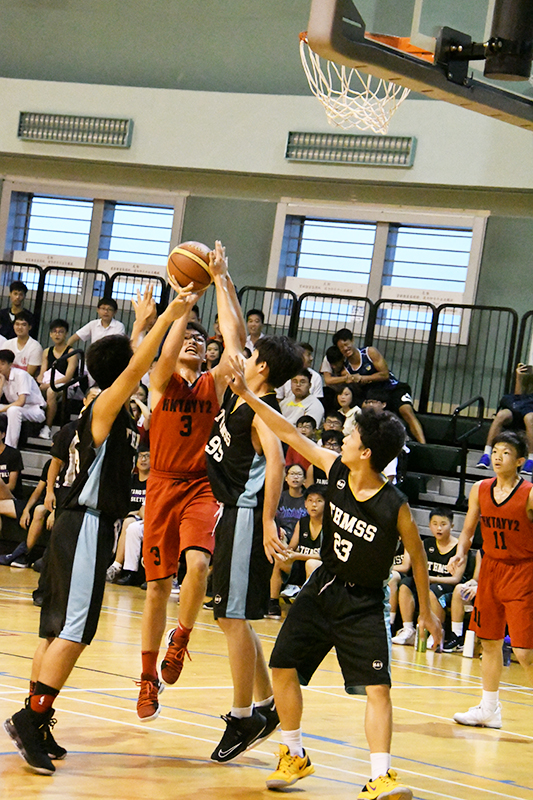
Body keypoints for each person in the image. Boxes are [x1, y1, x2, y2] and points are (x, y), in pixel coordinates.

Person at [2, 283, 200, 776]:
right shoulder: (107, 404)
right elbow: (135, 366)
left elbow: (127, 364)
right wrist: (173, 312)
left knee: (53, 630)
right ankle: (31, 718)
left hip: (76, 526)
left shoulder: (112, 402)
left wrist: (142, 322)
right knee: (74, 632)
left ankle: (36, 719)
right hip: (86, 526)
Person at [223, 361, 441, 797]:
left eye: (352, 436)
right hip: (323, 588)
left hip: (364, 603)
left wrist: (427, 611)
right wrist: (247, 396)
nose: (343, 439)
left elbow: (418, 557)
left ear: (367, 452)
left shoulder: (394, 504)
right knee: (282, 666)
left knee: (378, 689)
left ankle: (381, 775)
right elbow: (291, 434)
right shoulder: (337, 469)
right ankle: (294, 755)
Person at [136, 241, 246, 723]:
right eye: (188, 339)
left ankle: (180, 637)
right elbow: (164, 354)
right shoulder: (161, 383)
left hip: (201, 485)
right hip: (161, 486)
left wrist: (219, 280)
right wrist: (184, 303)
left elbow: (235, 344)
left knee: (198, 564)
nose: (195, 343)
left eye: (202, 341)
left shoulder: (212, 384)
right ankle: (147, 678)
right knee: (156, 589)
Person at [205, 334, 303, 763]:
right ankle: (266, 706)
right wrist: (220, 289)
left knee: (231, 617)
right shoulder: (239, 391)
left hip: (246, 514)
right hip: (231, 512)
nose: (243, 357)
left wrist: (266, 520)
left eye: (252, 355)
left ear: (261, 367)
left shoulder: (263, 411)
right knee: (235, 618)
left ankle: (242, 716)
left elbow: (277, 461)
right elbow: (232, 331)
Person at [450, 430, 533, 729]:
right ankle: (489, 709)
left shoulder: (530, 493)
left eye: (506, 453)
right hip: (491, 569)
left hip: (523, 571)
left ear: (520, 461)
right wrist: (461, 553)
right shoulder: (480, 489)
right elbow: (468, 530)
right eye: (495, 451)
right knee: (489, 642)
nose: (498, 457)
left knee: (524, 652)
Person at [332, 328, 426, 444]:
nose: (345, 349)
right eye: (341, 347)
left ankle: (423, 445)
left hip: (393, 388)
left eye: (346, 344)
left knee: (406, 411)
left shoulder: (369, 353)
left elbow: (385, 374)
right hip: (374, 396)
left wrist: (363, 378)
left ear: (352, 341)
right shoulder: (346, 369)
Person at [392, 507, 464, 647]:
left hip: (447, 587)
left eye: (443, 524)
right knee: (405, 584)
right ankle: (408, 629)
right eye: (435, 524)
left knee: (433, 590)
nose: (439, 528)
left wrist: (430, 579)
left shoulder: (459, 549)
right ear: (429, 525)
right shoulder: (426, 544)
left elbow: (456, 579)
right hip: (429, 582)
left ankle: (435, 632)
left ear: (452, 526)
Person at [267, 483, 325, 619]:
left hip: (321, 569)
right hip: (300, 565)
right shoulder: (303, 522)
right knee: (280, 558)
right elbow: (291, 548)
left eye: (319, 501)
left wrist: (297, 555)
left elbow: (324, 556)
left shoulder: (330, 525)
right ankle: (273, 603)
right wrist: (284, 547)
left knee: (311, 563)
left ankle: (310, 606)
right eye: (310, 500)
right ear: (305, 504)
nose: (314, 505)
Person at [477, 363, 533, 473]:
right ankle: (487, 454)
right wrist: (519, 377)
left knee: (529, 418)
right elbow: (518, 398)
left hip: (530, 412)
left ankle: (531, 459)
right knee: (501, 415)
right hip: (518, 410)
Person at [37, 319, 79, 440]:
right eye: (54, 332)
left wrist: (49, 385)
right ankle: (34, 423)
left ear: (66, 334)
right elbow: (42, 373)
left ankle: (47, 427)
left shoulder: (71, 352)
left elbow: (68, 377)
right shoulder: (47, 352)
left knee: (51, 391)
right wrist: (40, 383)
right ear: (50, 334)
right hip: (48, 383)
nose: (57, 334)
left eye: (61, 332)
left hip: (66, 386)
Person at [0, 349, 46, 448]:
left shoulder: (21, 375)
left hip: (34, 409)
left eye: (2, 364)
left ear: (10, 364)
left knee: (13, 410)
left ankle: (10, 447)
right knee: (11, 409)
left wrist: (1, 410)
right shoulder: (2, 377)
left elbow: (21, 402)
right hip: (16, 407)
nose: (0, 367)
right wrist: (1, 382)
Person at [442, 549, 482, 653]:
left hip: (494, 593)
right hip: (479, 590)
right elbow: (476, 578)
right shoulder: (482, 552)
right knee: (460, 589)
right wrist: (470, 584)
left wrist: (480, 589)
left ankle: (482, 642)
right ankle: (457, 636)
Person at [4, 311, 43, 378]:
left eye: (24, 325)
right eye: (17, 324)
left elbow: (29, 374)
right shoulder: (7, 344)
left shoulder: (35, 347)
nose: (20, 327)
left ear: (30, 327)